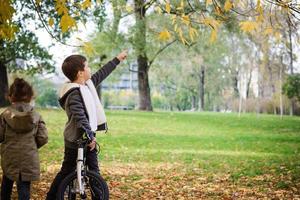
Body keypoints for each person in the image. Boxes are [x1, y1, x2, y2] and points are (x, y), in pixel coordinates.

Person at [46, 50, 127, 199]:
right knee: (67, 171)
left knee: (94, 171)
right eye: (87, 66)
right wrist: (90, 136)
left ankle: (99, 197)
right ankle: (51, 197)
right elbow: (80, 117)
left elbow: (102, 73)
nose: (90, 69)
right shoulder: (73, 93)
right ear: (80, 73)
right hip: (75, 138)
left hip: (89, 135)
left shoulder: (87, 85)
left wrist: (117, 60)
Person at [0, 78, 48, 200]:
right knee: (24, 188)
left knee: (6, 184)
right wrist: (32, 146)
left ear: (10, 96)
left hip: (9, 156)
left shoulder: (5, 115)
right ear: (30, 96)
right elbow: (43, 137)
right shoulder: (36, 115)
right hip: (28, 157)